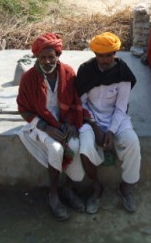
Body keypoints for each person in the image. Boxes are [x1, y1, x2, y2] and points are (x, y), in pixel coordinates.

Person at [17, 33, 87, 221]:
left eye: (51, 57)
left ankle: (68, 188)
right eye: (43, 57)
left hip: (65, 122)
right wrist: (46, 128)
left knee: (74, 146)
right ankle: (53, 194)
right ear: (37, 58)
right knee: (55, 148)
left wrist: (71, 123)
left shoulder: (68, 73)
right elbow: (24, 110)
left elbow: (75, 101)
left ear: (58, 55)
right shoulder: (28, 79)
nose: (47, 61)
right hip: (42, 123)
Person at [76, 32, 141, 213]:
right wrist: (95, 126)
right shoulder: (86, 71)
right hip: (90, 119)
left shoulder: (123, 73)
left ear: (115, 53)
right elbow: (81, 104)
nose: (104, 60)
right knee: (85, 146)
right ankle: (97, 188)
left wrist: (111, 131)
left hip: (116, 119)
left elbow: (121, 108)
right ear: (95, 55)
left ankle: (126, 187)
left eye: (109, 55)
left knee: (132, 142)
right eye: (100, 56)